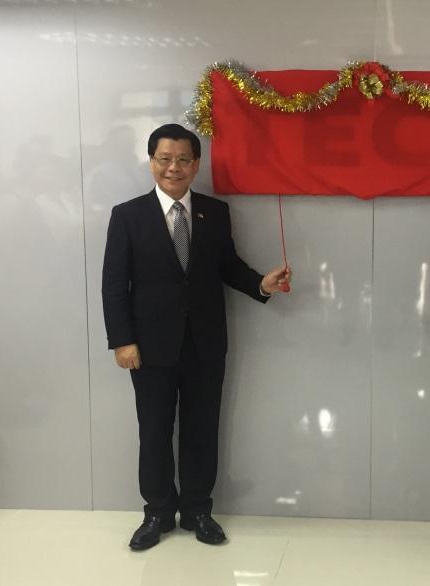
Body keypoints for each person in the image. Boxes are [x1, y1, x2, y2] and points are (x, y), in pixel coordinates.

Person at [102, 123, 290, 551]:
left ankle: (198, 510)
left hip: (205, 343)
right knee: (153, 430)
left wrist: (262, 284)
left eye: (183, 159)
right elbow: (114, 284)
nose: (174, 168)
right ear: (151, 162)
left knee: (202, 428)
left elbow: (227, 266)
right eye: (165, 159)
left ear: (196, 164)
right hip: (148, 347)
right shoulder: (127, 216)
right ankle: (157, 513)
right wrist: (122, 340)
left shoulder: (214, 211)